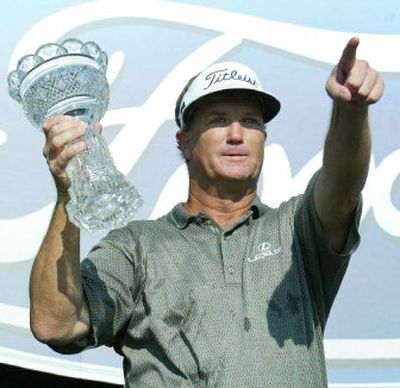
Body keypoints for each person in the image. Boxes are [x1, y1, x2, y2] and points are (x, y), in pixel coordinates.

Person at [30, 37, 384, 387]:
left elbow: (342, 187)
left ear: (264, 138)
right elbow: (56, 324)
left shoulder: (295, 230)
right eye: (217, 120)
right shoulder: (137, 245)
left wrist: (350, 111)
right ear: (184, 141)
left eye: (250, 122)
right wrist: (69, 192)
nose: (236, 134)